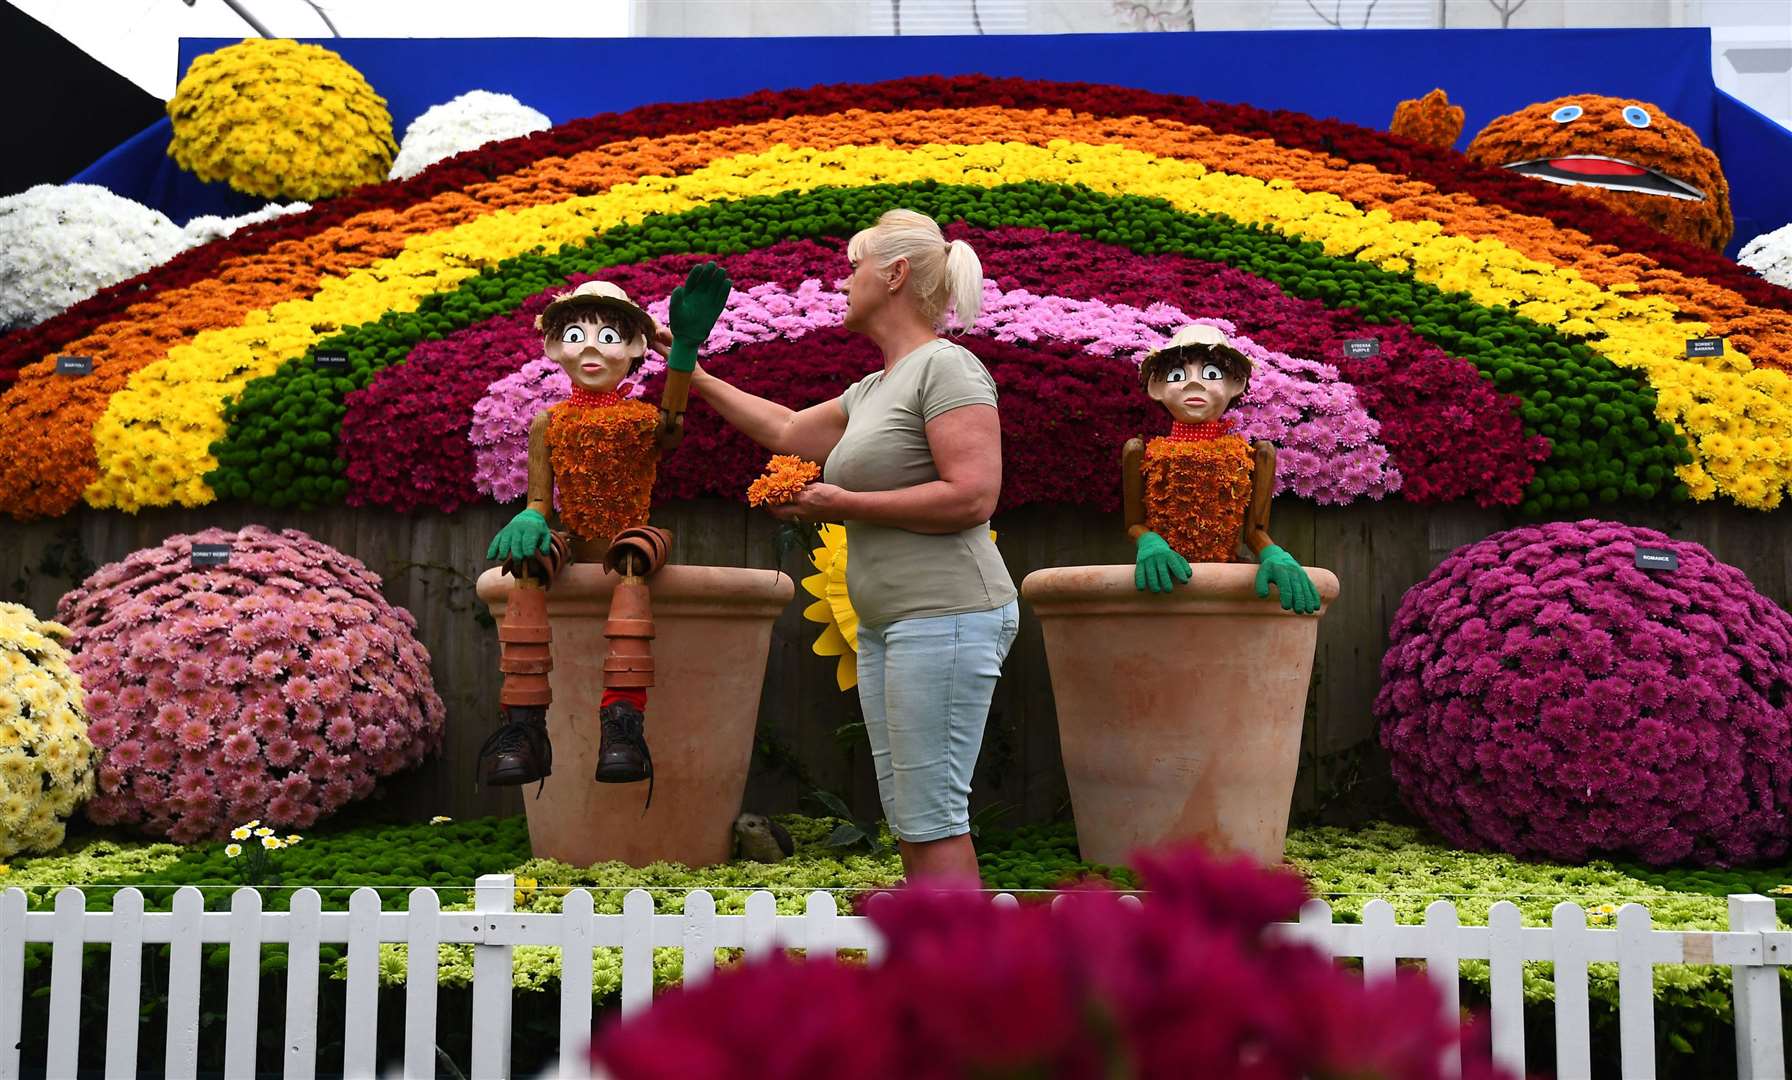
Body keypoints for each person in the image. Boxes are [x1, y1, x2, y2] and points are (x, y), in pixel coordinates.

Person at [689, 209, 1017, 882]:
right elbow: (784, 429)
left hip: (947, 615)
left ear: (894, 275)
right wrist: (686, 365)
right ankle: (932, 970)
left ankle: (966, 981)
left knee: (932, 817)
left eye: (853, 267)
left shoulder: (946, 369)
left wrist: (842, 504)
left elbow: (973, 496)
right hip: (890, 624)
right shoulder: (873, 389)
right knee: (909, 814)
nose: (842, 283)